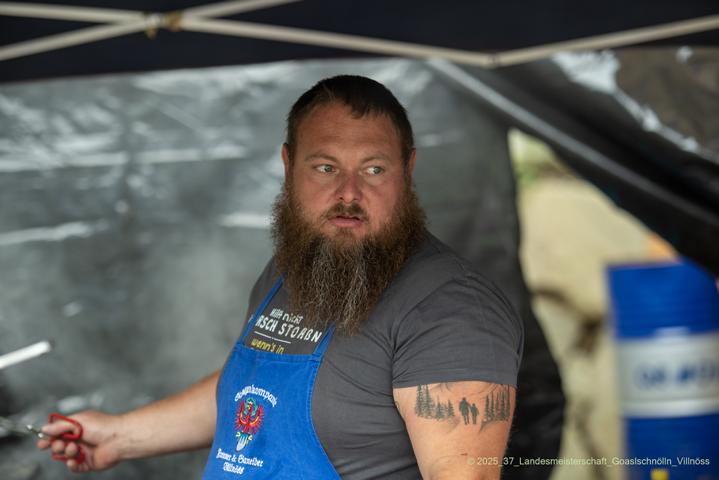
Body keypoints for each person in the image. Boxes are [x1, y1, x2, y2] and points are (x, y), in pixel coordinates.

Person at [37, 75, 523, 479]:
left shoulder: (451, 309)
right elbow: (252, 390)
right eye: (326, 167)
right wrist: (120, 436)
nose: (348, 193)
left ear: (408, 169)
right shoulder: (297, 267)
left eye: (374, 169)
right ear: (289, 165)